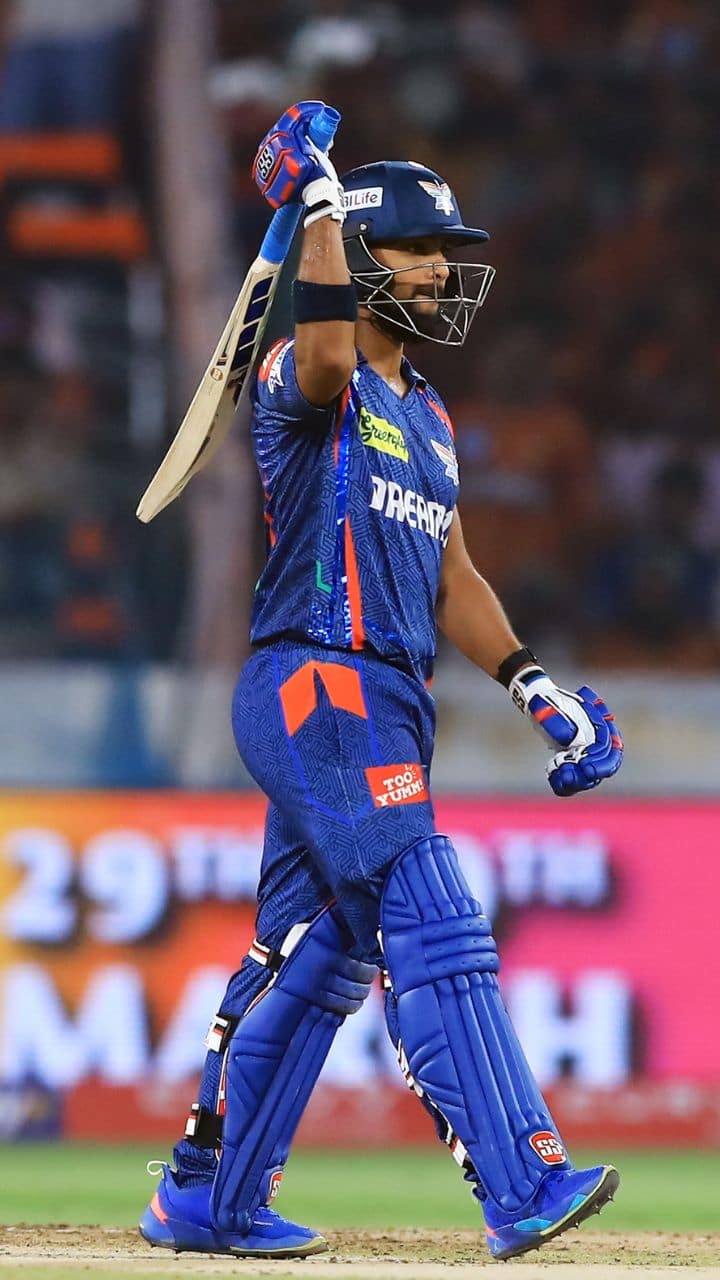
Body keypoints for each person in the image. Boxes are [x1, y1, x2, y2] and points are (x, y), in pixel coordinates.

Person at [140, 101, 624, 1262]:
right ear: (359, 256)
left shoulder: (431, 414)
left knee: (317, 954)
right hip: (315, 681)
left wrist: (533, 683)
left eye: (449, 253)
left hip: (387, 702)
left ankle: (207, 1193)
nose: (445, 271)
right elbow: (319, 353)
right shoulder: (310, 373)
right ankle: (522, 1179)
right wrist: (316, 205)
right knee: (432, 905)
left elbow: (455, 574)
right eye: (423, 251)